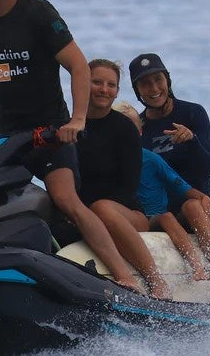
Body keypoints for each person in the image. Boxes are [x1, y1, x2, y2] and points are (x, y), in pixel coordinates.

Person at [0, 0, 147, 296]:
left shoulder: (39, 13)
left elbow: (77, 65)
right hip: (5, 135)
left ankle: (125, 277)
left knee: (65, 200)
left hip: (50, 131)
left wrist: (77, 120)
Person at [113, 99, 210, 302]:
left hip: (158, 217)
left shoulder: (151, 159)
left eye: (132, 128)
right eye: (122, 129)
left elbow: (183, 188)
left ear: (141, 133)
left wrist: (204, 199)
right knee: (167, 217)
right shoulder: (108, 162)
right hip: (134, 220)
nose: (128, 135)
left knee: (189, 207)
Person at [76, 59, 172, 299]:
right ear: (81, 83)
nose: (104, 89)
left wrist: (89, 210)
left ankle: (156, 282)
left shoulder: (124, 129)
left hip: (129, 214)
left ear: (117, 90)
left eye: (111, 85)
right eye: (97, 82)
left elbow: (128, 188)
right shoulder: (71, 127)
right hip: (84, 214)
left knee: (101, 207)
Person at [128, 53, 210, 208]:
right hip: (160, 214)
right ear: (137, 90)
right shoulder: (137, 126)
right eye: (145, 83)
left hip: (199, 208)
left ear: (167, 80)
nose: (154, 88)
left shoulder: (193, 112)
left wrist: (192, 141)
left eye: (158, 79)